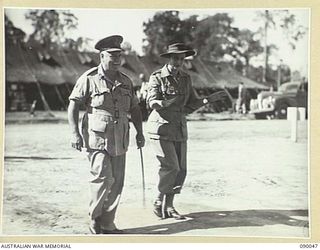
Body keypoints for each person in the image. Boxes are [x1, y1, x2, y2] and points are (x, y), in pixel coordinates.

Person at [67, 35, 145, 234]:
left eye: (119, 55)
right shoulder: (89, 78)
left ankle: (108, 223)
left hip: (121, 136)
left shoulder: (126, 81)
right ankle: (95, 219)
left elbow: (135, 109)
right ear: (102, 56)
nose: (117, 59)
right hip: (98, 137)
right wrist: (75, 133)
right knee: (101, 178)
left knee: (117, 181)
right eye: (112, 55)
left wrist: (139, 132)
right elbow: (73, 105)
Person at [146, 43, 227, 220]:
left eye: (182, 59)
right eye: (176, 58)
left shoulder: (185, 78)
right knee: (171, 167)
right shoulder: (157, 77)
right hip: (160, 128)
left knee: (181, 169)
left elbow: (191, 104)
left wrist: (208, 100)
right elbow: (151, 100)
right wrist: (159, 103)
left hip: (179, 128)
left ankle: (169, 206)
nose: (179, 62)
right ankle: (159, 200)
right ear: (169, 58)